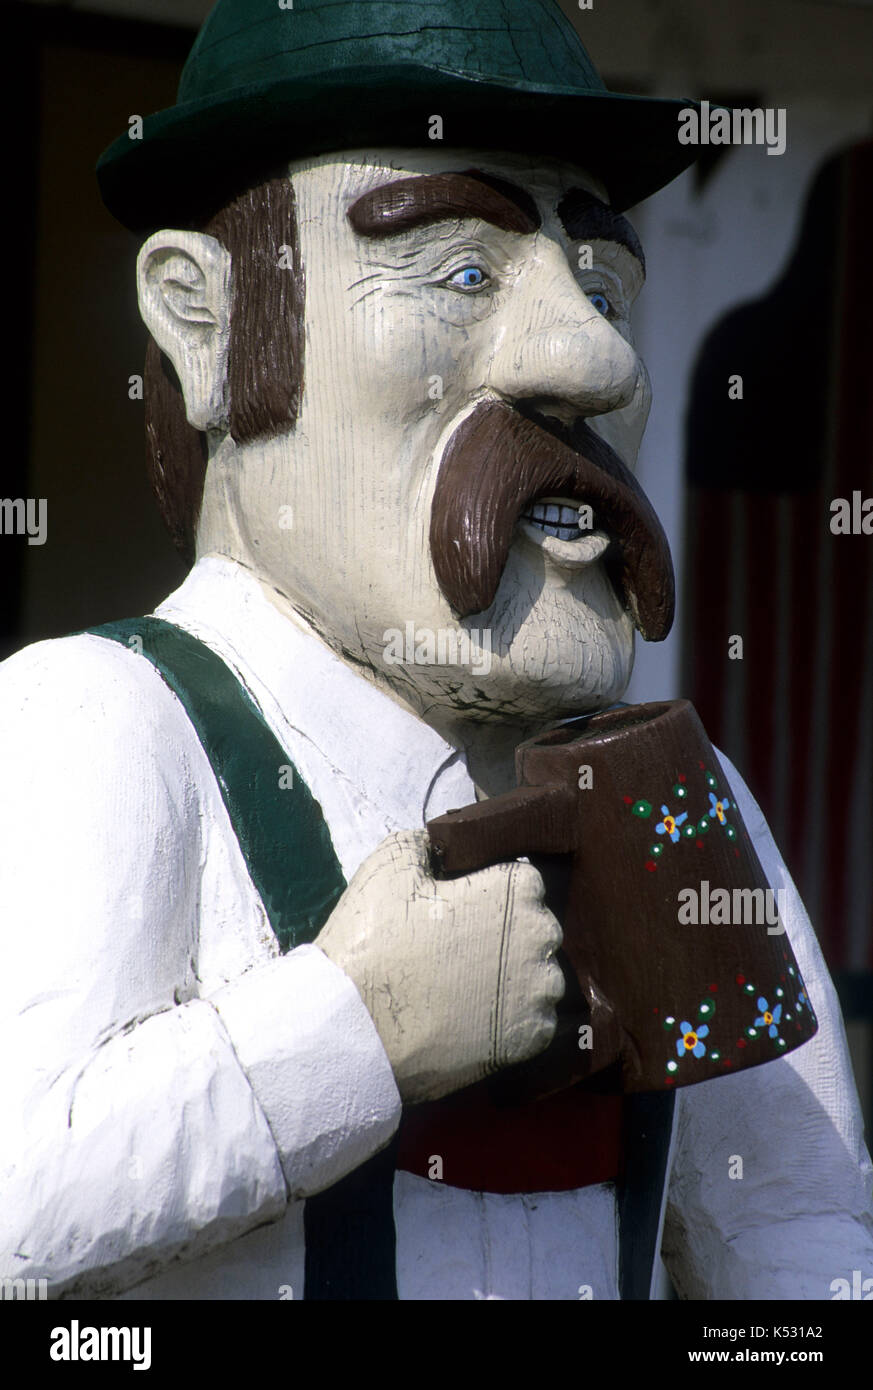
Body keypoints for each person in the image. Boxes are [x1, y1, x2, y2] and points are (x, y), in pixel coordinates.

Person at [2, 0, 871, 1301]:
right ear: (209, 326)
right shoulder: (103, 724)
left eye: (602, 285)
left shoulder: (679, 803)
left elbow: (799, 1235)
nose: (595, 359)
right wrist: (359, 1023)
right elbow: (18, 1203)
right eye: (461, 273)